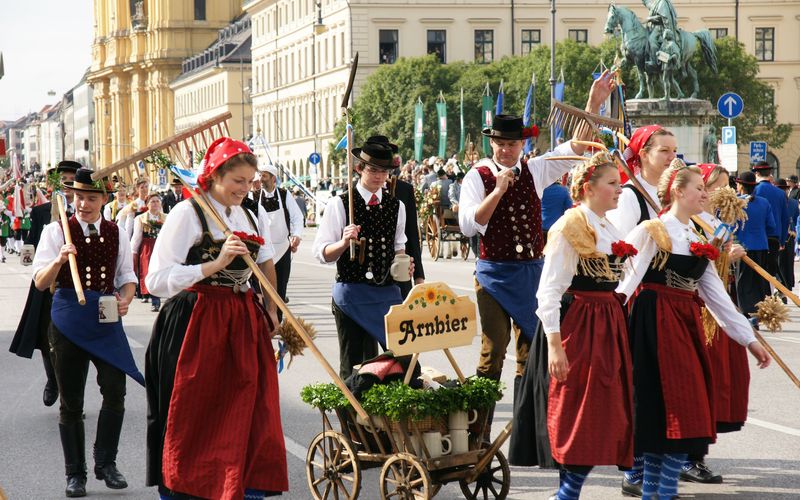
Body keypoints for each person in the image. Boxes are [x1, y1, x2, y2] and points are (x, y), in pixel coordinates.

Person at [459, 71, 617, 441]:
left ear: (520, 145)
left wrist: (593, 104)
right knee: (492, 353)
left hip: (531, 273)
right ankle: (477, 431)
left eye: (512, 144)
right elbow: (470, 225)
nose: (506, 150)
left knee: (532, 355)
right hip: (494, 276)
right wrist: (496, 192)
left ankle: (528, 430)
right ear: (492, 143)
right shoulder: (476, 176)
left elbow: (579, 148)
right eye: (500, 143)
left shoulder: (535, 168)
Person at [617, 161, 770, 500]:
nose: (705, 193)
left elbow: (716, 297)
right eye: (699, 188)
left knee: (690, 408)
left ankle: (661, 490)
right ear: (677, 191)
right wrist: (603, 328)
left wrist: (749, 339)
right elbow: (625, 284)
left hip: (684, 324)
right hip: (652, 322)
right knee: (657, 407)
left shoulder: (696, 236)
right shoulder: (652, 230)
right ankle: (653, 489)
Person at [144, 137, 287, 499]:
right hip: (196, 320)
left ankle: (238, 486)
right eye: (238, 181)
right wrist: (214, 264)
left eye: (249, 181)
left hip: (241, 320)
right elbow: (156, 280)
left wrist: (271, 309)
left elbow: (267, 262)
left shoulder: (249, 214)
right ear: (214, 176)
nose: (245, 188)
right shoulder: (188, 213)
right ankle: (188, 488)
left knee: (247, 408)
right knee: (196, 413)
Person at [510, 153, 635, 499]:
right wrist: (554, 345)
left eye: (619, 183)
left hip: (607, 323)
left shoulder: (609, 226)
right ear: (587, 188)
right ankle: (566, 493)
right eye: (612, 183)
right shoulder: (570, 225)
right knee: (575, 413)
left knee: (604, 412)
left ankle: (569, 492)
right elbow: (548, 291)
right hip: (578, 325)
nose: (619, 189)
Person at [31, 167, 142, 497]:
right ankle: (75, 474)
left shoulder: (117, 231)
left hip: (106, 318)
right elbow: (40, 282)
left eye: (91, 198)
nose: (83, 204)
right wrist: (59, 261)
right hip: (68, 320)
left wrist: (126, 298)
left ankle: (106, 463)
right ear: (70, 197)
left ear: (104, 199)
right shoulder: (55, 232)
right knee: (72, 402)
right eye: (78, 197)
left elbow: (127, 274)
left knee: (115, 390)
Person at [312, 140, 411, 379]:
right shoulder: (341, 203)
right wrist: (344, 243)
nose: (379, 176)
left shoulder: (396, 205)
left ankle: (385, 417)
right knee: (355, 367)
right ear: (359, 169)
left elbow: (399, 247)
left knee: (401, 364)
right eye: (373, 170)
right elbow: (322, 253)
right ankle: (352, 415)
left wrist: (404, 265)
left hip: (386, 295)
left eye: (384, 171)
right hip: (352, 294)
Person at [680, 164, 750, 483]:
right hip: (695, 311)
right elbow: (697, 265)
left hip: (718, 310)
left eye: (727, 187)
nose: (725, 193)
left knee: (714, 385)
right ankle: (686, 457)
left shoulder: (716, 223)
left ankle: (696, 453)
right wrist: (725, 256)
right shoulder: (687, 221)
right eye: (718, 186)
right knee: (694, 385)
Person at [11, 160, 79, 409]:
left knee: (73, 339)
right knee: (45, 335)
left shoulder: (83, 210)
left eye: (73, 182)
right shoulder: (41, 212)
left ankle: (71, 392)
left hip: (74, 283)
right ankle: (53, 379)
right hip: (47, 280)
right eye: (65, 182)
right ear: (55, 184)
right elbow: (29, 244)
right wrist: (28, 256)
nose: (69, 188)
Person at [366, 135, 425, 298]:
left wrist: (419, 276)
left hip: (400, 272)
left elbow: (412, 234)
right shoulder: (351, 196)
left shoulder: (404, 189)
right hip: (366, 278)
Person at [253, 163, 304, 319]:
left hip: (282, 248)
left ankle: (277, 320)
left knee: (280, 288)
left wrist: (296, 234)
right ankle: (262, 322)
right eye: (260, 175)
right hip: (262, 250)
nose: (261, 179)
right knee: (260, 289)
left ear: (273, 178)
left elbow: (297, 216)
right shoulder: (254, 196)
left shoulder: (284, 194)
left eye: (265, 176)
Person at [607, 125, 676, 237]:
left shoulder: (677, 191)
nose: (673, 157)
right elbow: (622, 244)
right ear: (644, 155)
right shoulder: (628, 196)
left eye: (674, 150)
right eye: (664, 150)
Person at [734, 171, 777, 324]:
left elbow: (730, 226)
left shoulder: (736, 202)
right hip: (761, 246)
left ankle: (745, 312)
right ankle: (757, 314)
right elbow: (771, 226)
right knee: (759, 281)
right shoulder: (764, 202)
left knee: (743, 281)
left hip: (742, 246)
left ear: (740, 186)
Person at [131, 192, 167, 312]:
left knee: (161, 272)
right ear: (147, 204)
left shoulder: (166, 217)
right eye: (152, 201)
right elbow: (137, 237)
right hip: (147, 247)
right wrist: (133, 252)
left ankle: (158, 296)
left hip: (161, 247)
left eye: (157, 201)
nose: (155, 204)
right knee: (149, 272)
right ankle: (154, 300)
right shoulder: (140, 218)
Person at [752, 161, 788, 279]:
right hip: (774, 237)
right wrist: (782, 241)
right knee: (771, 271)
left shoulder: (755, 191)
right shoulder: (780, 193)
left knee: (757, 272)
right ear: (769, 173)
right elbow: (785, 218)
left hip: (756, 237)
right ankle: (771, 295)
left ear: (757, 173)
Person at [776, 178, 798, 295]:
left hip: (783, 236)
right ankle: (784, 289)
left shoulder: (791, 203)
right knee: (785, 264)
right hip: (789, 236)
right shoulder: (793, 203)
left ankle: (783, 289)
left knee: (782, 264)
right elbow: (795, 220)